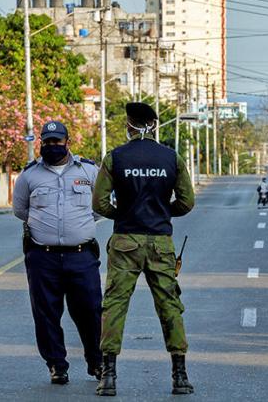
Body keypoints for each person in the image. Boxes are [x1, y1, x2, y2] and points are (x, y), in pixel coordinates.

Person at [92, 102, 195, 396]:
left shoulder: (115, 158)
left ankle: (108, 377)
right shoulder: (171, 158)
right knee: (169, 305)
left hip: (125, 240)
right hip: (160, 241)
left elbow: (98, 204)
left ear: (129, 125)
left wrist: (124, 213)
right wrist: (162, 210)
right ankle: (180, 375)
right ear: (154, 125)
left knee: (114, 305)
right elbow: (186, 202)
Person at [12, 121, 102, 385]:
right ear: (41, 143)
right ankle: (56, 365)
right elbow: (21, 210)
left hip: (81, 255)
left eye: (57, 141)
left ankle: (96, 362)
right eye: (47, 142)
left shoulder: (89, 170)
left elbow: (98, 208)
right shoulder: (29, 175)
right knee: (46, 313)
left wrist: (77, 226)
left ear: (68, 142)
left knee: (91, 311)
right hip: (43, 256)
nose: (52, 146)